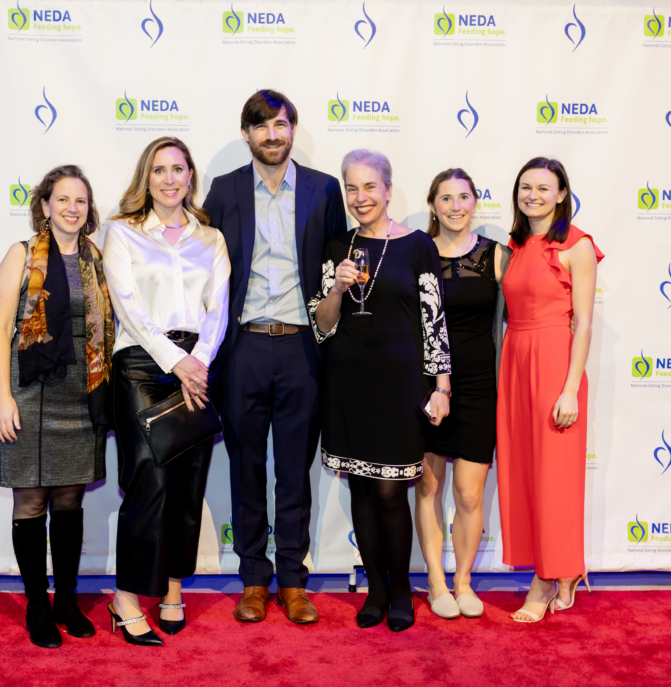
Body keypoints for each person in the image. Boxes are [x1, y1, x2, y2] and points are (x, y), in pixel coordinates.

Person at [202, 89, 346, 624]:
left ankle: (293, 581)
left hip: (303, 347)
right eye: (261, 126)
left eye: (281, 125)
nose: (272, 135)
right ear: (247, 134)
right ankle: (253, 580)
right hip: (242, 348)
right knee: (244, 468)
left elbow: (335, 270)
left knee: (293, 469)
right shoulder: (223, 190)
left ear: (292, 130)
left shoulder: (323, 190)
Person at [308, 149, 452, 632]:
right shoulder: (336, 248)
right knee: (364, 494)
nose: (360, 197)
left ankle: (399, 592)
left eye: (370, 186)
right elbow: (322, 328)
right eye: (352, 187)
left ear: (388, 189)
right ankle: (374, 590)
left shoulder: (416, 246)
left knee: (391, 493)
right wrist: (336, 290)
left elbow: (434, 319)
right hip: (347, 385)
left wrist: (442, 384)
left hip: (400, 387)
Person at [102, 137, 230, 645]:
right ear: (146, 178)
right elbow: (127, 306)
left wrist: (197, 362)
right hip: (140, 366)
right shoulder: (121, 233)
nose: (170, 178)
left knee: (187, 484)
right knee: (147, 483)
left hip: (198, 365)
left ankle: (174, 586)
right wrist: (175, 361)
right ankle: (127, 598)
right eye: (159, 170)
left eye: (178, 169)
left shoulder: (211, 239)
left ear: (191, 176)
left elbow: (216, 308)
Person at [0, 165, 115, 649]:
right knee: (32, 501)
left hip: (83, 395)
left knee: (69, 500)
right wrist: (3, 396)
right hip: (29, 393)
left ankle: (67, 600)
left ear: (89, 209)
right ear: (44, 205)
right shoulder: (20, 256)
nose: (71, 208)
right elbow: (1, 329)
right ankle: (37, 604)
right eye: (62, 199)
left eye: (80, 200)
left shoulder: (97, 260)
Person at [496, 157, 602, 623]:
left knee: (554, 478)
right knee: (523, 472)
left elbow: (583, 324)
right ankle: (562, 571)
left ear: (562, 194)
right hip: (515, 360)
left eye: (544, 187)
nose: (533, 194)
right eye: (525, 187)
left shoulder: (576, 246)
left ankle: (547, 579)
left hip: (555, 361)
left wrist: (570, 390)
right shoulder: (514, 246)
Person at [416, 168, 511, 620]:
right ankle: (435, 580)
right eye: (446, 198)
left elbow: (527, 310)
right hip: (427, 387)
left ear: (475, 203)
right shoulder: (416, 253)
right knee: (429, 487)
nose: (455, 206)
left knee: (470, 495)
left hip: (478, 390)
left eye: (464, 197)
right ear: (433, 204)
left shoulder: (497, 256)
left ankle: (464, 581)